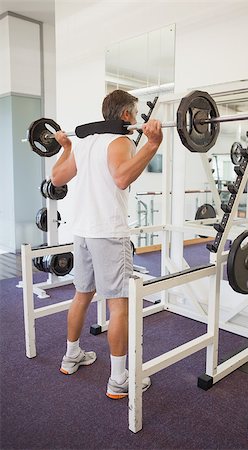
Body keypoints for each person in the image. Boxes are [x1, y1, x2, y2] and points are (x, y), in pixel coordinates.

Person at [51, 90, 163, 398]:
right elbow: (122, 178)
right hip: (108, 234)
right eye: (136, 113)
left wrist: (66, 148)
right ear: (126, 115)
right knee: (118, 306)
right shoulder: (120, 141)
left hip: (83, 233)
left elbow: (57, 177)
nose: (138, 119)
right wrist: (152, 145)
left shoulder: (85, 143)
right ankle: (118, 379)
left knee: (81, 296)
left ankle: (71, 355)